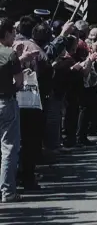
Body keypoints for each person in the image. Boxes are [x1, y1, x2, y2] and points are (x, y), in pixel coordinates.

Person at [0, 17, 28, 203]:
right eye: (13, 33)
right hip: (5, 102)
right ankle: (8, 191)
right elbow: (19, 83)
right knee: (9, 147)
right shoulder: (10, 55)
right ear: (8, 33)